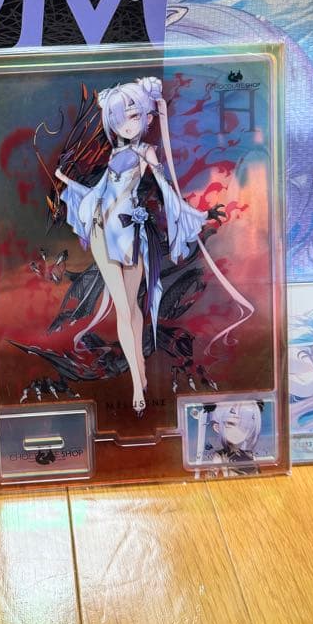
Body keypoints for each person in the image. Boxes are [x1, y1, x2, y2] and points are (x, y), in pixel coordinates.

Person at [54, 76, 251, 413]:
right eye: (120, 118)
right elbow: (104, 193)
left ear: (146, 116)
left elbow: (166, 187)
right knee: (122, 306)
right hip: (103, 230)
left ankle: (140, 375)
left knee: (131, 306)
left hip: (130, 233)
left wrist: (196, 215)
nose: (128, 124)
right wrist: (71, 185)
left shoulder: (145, 151)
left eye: (135, 115)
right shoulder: (114, 152)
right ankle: (137, 380)